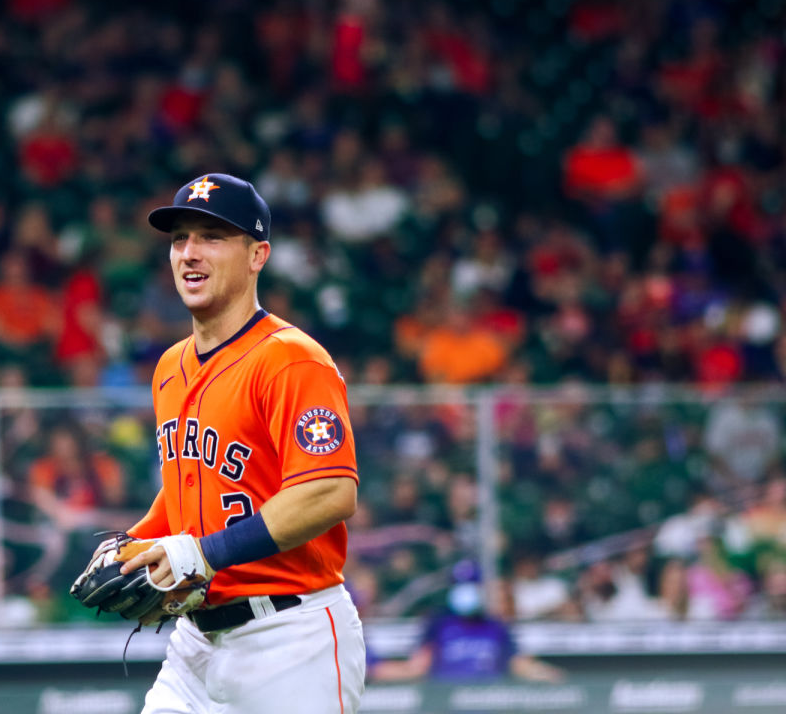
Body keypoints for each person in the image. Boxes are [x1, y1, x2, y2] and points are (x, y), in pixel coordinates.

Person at [115, 174, 365, 713]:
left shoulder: (292, 359)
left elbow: (329, 492)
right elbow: (188, 484)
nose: (190, 253)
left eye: (212, 236)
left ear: (258, 255)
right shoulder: (168, 366)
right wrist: (130, 544)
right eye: (180, 238)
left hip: (291, 639)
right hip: (195, 643)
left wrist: (204, 553)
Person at [371, 560, 565, 683]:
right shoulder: (438, 624)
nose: (465, 591)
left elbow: (518, 663)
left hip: (488, 702)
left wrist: (556, 679)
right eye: (460, 586)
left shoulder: (495, 626)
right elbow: (418, 667)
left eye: (471, 585)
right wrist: (373, 671)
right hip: (445, 703)